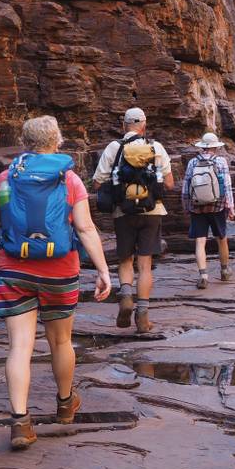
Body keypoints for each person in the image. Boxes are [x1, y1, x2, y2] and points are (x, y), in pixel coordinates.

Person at [0, 115, 112, 451]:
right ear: (57, 141)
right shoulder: (69, 180)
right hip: (60, 272)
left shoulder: (6, 178)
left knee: (19, 347)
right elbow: (85, 228)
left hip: (15, 271)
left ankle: (20, 423)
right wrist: (103, 270)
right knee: (61, 341)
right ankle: (65, 405)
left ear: (25, 142)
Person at [92, 107, 174, 334]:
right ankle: (143, 316)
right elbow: (169, 184)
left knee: (126, 260)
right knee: (145, 264)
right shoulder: (156, 147)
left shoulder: (114, 147)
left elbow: (97, 183)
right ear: (144, 125)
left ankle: (126, 297)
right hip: (152, 212)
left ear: (124, 125)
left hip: (123, 212)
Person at [182, 132, 235, 288]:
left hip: (197, 207)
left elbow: (186, 186)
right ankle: (224, 270)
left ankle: (203, 276)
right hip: (218, 206)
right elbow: (227, 186)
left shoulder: (193, 162)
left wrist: (186, 206)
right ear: (215, 147)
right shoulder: (221, 161)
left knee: (200, 241)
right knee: (221, 238)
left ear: (202, 147)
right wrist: (230, 207)